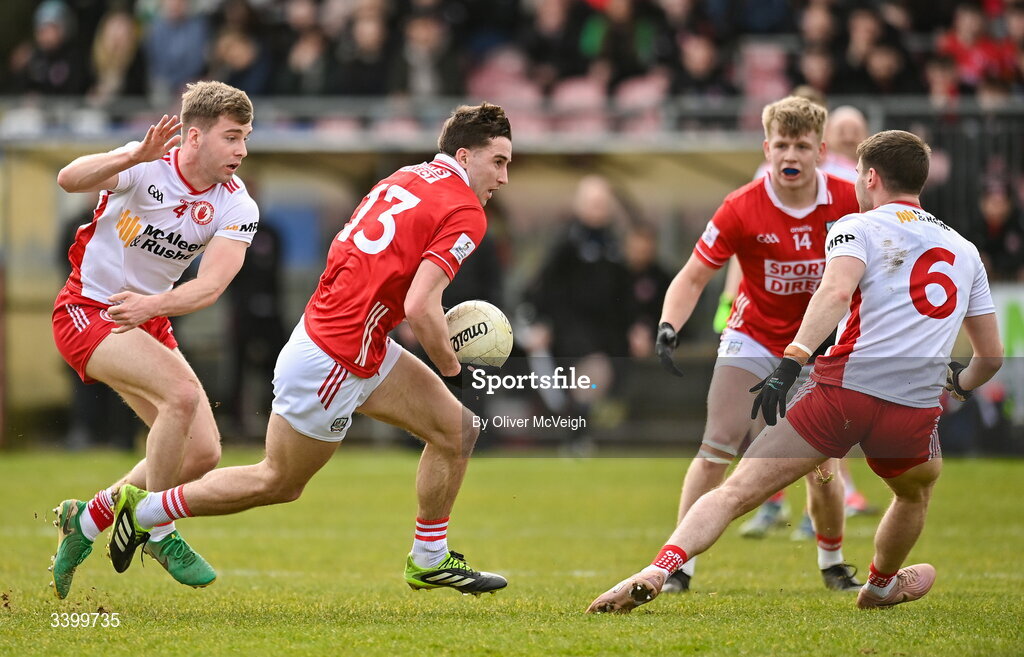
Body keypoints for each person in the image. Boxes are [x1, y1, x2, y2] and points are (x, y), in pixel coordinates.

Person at [588, 129, 1003, 613]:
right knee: (913, 496)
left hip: (844, 392)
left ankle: (660, 568)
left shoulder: (856, 226)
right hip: (913, 407)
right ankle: (881, 583)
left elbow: (833, 294)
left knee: (738, 489)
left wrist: (791, 362)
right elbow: (989, 358)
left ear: (870, 177)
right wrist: (958, 381)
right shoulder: (966, 250)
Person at [105, 103, 512, 596]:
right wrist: (451, 366)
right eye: (499, 162)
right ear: (465, 156)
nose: (504, 178)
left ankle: (429, 559)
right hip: (337, 356)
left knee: (458, 430)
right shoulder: (466, 210)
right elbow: (422, 304)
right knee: (277, 481)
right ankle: (145, 508)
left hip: (349, 337)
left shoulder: (407, 176)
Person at [50, 81, 258, 599]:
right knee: (181, 397)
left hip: (146, 318)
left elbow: (209, 287)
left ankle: (88, 519)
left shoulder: (237, 204)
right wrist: (131, 154)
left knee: (204, 454)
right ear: (193, 136)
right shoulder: (146, 163)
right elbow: (68, 178)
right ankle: (158, 530)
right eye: (231, 137)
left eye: (245, 138)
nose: (242, 150)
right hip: (88, 310)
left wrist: (152, 306)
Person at [653, 96, 861, 594]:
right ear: (767, 148)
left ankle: (832, 564)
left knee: (822, 467)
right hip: (752, 338)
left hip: (817, 348)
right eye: (782, 145)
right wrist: (668, 324)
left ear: (820, 150)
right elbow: (694, 275)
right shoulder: (741, 206)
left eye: (802, 146)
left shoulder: (849, 201)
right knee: (716, 445)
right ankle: (679, 567)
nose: (791, 155)